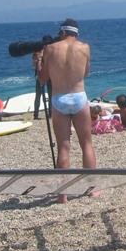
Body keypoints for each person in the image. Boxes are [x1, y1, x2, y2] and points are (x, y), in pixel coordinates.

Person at [38, 18, 97, 202]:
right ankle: (92, 189)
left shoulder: (50, 49)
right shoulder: (84, 48)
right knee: (86, 144)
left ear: (63, 32)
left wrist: (39, 62)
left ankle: (62, 195)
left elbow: (43, 78)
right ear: (76, 33)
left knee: (64, 147)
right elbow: (86, 73)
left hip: (59, 99)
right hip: (78, 96)